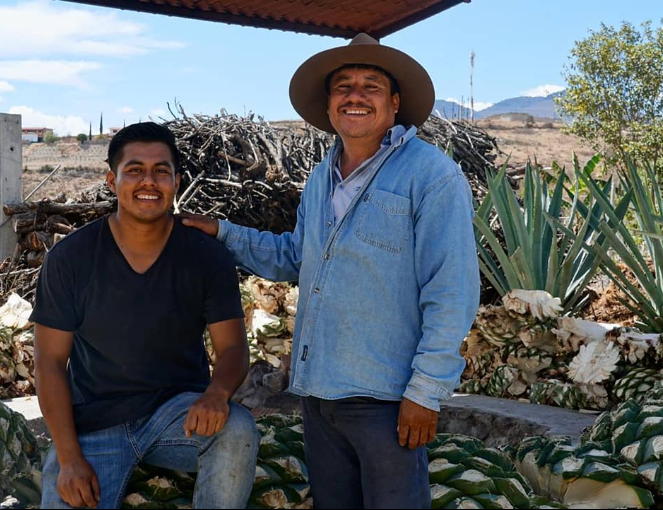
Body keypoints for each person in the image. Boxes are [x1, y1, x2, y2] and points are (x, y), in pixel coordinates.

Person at [182, 34, 480, 508]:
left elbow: (452, 289)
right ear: (328, 104)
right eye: (343, 86)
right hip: (319, 393)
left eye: (371, 86)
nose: (355, 96)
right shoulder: (323, 177)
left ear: (395, 103)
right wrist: (223, 233)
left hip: (386, 399)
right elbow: (296, 256)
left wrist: (425, 391)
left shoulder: (430, 175)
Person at [32, 122, 259, 509]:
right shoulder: (70, 258)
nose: (149, 182)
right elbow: (49, 363)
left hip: (179, 418)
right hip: (94, 425)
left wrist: (217, 395)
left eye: (161, 171)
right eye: (135, 170)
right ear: (112, 180)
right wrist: (69, 459)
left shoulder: (206, 257)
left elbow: (234, 348)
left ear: (176, 181)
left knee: (237, 428)